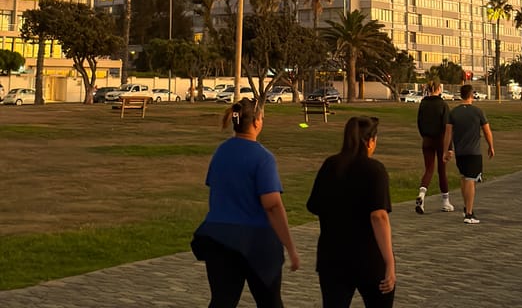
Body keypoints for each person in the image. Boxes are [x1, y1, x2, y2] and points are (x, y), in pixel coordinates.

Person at [190, 97, 300, 308]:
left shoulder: (221, 152)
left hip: (218, 237)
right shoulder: (263, 157)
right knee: (270, 302)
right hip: (255, 241)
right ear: (257, 122)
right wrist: (291, 247)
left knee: (222, 300)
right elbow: (272, 205)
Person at [307, 116, 396, 308]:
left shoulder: (331, 165)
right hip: (368, 258)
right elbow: (378, 216)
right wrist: (389, 262)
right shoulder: (375, 170)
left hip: (332, 258)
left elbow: (314, 206)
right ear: (370, 141)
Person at [443, 83, 494, 225]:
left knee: (464, 178)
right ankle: (469, 214)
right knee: (471, 180)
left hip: (460, 152)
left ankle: (466, 207)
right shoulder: (478, 112)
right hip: (474, 152)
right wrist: (491, 146)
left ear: (461, 95)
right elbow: (487, 130)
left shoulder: (453, 113)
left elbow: (447, 133)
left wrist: (446, 150)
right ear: (472, 95)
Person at [415, 76, 454, 214]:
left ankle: (421, 195)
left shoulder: (423, 104)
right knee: (441, 171)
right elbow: (447, 127)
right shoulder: (443, 104)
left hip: (426, 139)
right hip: (440, 140)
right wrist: (449, 148)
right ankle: (445, 201)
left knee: (429, 169)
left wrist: (424, 136)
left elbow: (419, 122)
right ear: (439, 89)